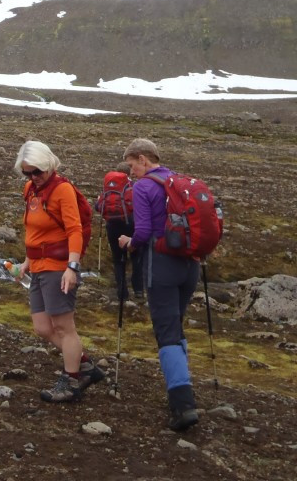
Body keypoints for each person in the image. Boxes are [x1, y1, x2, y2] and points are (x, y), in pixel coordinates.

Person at [118, 138, 200, 431]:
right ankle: (183, 389)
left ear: (143, 158)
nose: (131, 172)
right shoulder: (178, 181)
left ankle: (183, 405)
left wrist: (128, 242)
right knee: (176, 324)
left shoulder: (144, 187)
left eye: (132, 165)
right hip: (190, 265)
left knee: (166, 331)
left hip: (161, 265)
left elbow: (142, 233)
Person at [14, 140, 105, 403]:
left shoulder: (63, 190)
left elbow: (74, 230)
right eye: (27, 173)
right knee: (43, 327)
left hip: (58, 268)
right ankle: (85, 365)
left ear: (48, 165)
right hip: (38, 266)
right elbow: (34, 230)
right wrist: (27, 261)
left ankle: (71, 381)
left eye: (37, 171)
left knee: (64, 328)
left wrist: (71, 268)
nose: (33, 177)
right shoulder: (30, 190)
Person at [95, 161, 144, 301]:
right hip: (131, 225)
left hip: (112, 226)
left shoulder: (108, 187)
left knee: (118, 259)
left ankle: (122, 293)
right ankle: (139, 290)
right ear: (129, 173)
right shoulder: (133, 186)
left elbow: (98, 207)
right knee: (136, 256)